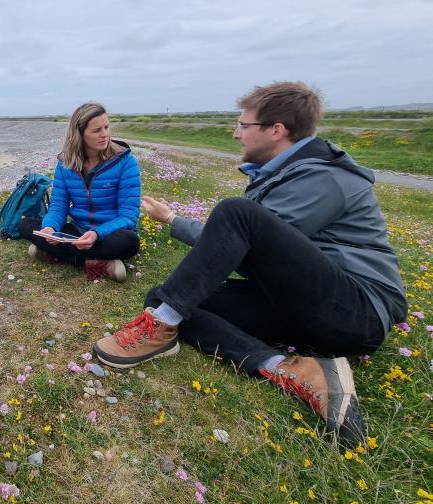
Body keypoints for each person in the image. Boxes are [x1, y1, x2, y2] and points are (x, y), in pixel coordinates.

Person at [92, 81, 406, 446]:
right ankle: (292, 370)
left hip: (356, 311)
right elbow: (244, 248)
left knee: (235, 214)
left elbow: (239, 241)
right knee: (167, 299)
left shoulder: (323, 177)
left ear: (276, 130)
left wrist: (176, 222)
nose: (236, 133)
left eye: (244, 125)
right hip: (303, 307)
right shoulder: (288, 173)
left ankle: (158, 327)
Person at [20, 102, 141, 282]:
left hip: (109, 234)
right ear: (80, 134)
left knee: (130, 242)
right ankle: (97, 264)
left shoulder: (126, 162)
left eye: (106, 127)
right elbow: (59, 206)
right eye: (97, 130)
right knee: (26, 225)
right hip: (76, 231)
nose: (105, 134)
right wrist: (50, 228)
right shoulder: (65, 164)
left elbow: (129, 216)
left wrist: (97, 234)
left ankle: (56, 255)